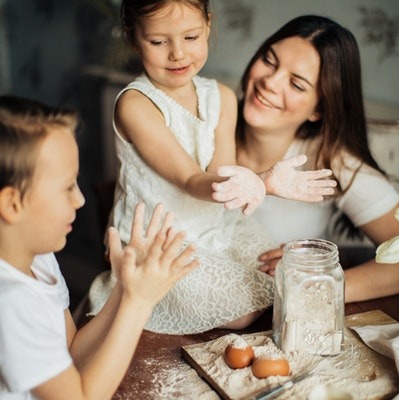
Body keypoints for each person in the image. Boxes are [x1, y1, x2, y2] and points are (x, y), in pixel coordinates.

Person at [87, 0, 338, 335]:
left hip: (216, 225)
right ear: (134, 39)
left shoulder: (220, 96)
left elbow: (221, 175)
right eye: (159, 42)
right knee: (243, 310)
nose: (177, 54)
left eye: (190, 37)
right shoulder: (136, 104)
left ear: (208, 25)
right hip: (160, 239)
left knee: (277, 278)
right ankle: (126, 290)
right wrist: (263, 181)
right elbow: (191, 179)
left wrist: (257, 182)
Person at [0, 95, 198, 400]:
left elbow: (71, 352)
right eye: (67, 187)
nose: (80, 199)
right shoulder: (10, 302)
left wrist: (124, 288)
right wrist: (139, 302)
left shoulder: (38, 257)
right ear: (12, 204)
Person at [233, 15, 399, 303]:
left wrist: (318, 282)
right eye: (269, 61)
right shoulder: (206, 119)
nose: (270, 82)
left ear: (318, 109)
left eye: (296, 85)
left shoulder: (331, 163)